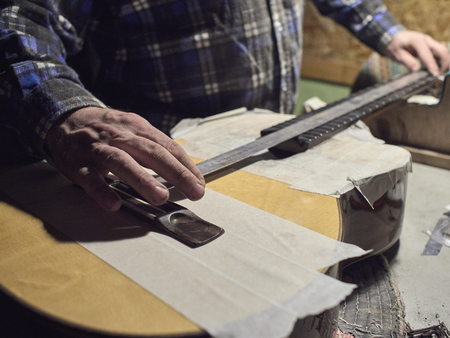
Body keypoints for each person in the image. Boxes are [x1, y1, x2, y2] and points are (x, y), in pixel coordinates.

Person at [1, 0, 448, 212]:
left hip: (277, 152)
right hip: (171, 169)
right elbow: (19, 18)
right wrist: (63, 111)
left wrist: (387, 32)